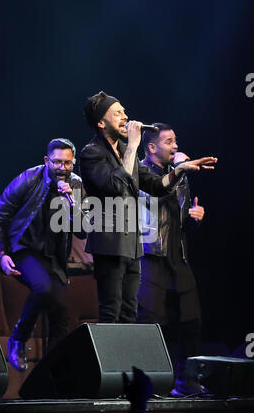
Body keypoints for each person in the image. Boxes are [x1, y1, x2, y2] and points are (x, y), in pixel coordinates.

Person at [80, 91, 217, 325]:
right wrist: (133, 145)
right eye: (117, 113)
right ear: (101, 122)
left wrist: (179, 171)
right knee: (111, 312)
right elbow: (116, 185)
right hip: (109, 243)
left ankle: (125, 362)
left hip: (132, 245)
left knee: (129, 313)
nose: (125, 117)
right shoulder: (91, 153)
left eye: (124, 111)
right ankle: (108, 362)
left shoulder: (124, 151)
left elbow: (156, 186)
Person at [0, 138, 84, 371]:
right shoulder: (28, 179)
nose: (62, 168)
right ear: (46, 160)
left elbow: (82, 231)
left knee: (61, 316)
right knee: (42, 288)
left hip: (55, 257)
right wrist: (1, 253)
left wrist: (72, 205)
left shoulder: (76, 185)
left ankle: (50, 378)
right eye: (57, 162)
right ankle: (18, 338)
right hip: (26, 249)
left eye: (68, 163)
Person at [137, 122, 210, 396]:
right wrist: (180, 170)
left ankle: (187, 381)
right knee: (151, 320)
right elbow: (154, 196)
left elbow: (177, 220)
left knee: (192, 319)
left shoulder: (179, 176)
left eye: (176, 141)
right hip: (149, 254)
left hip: (177, 255)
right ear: (152, 147)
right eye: (169, 142)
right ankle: (144, 383)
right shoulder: (140, 172)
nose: (176, 146)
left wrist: (195, 219)